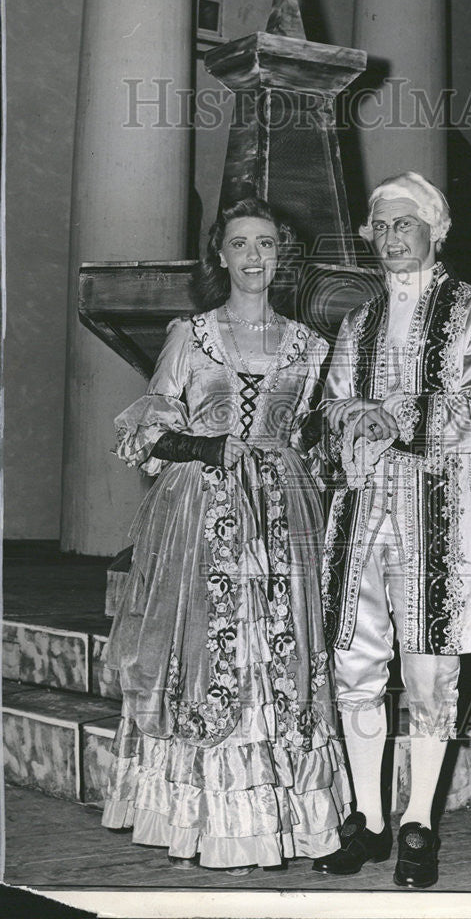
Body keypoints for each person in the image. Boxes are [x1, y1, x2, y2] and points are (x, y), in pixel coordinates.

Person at [102, 197, 350, 872]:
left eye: (265, 245)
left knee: (281, 648)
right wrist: (203, 447)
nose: (252, 257)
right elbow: (146, 429)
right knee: (208, 650)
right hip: (199, 507)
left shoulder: (310, 345)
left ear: (280, 257)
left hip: (283, 512)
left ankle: (282, 816)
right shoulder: (191, 334)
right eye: (239, 243)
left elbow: (315, 436)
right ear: (220, 254)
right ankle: (205, 815)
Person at [312, 171, 471, 889]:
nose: (390, 238)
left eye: (404, 224)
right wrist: (350, 419)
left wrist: (394, 416)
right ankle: (366, 819)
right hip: (363, 508)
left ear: (437, 230)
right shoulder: (357, 321)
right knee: (352, 666)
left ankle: (418, 821)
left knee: (429, 671)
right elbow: (329, 407)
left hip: (440, 511)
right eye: (381, 225)